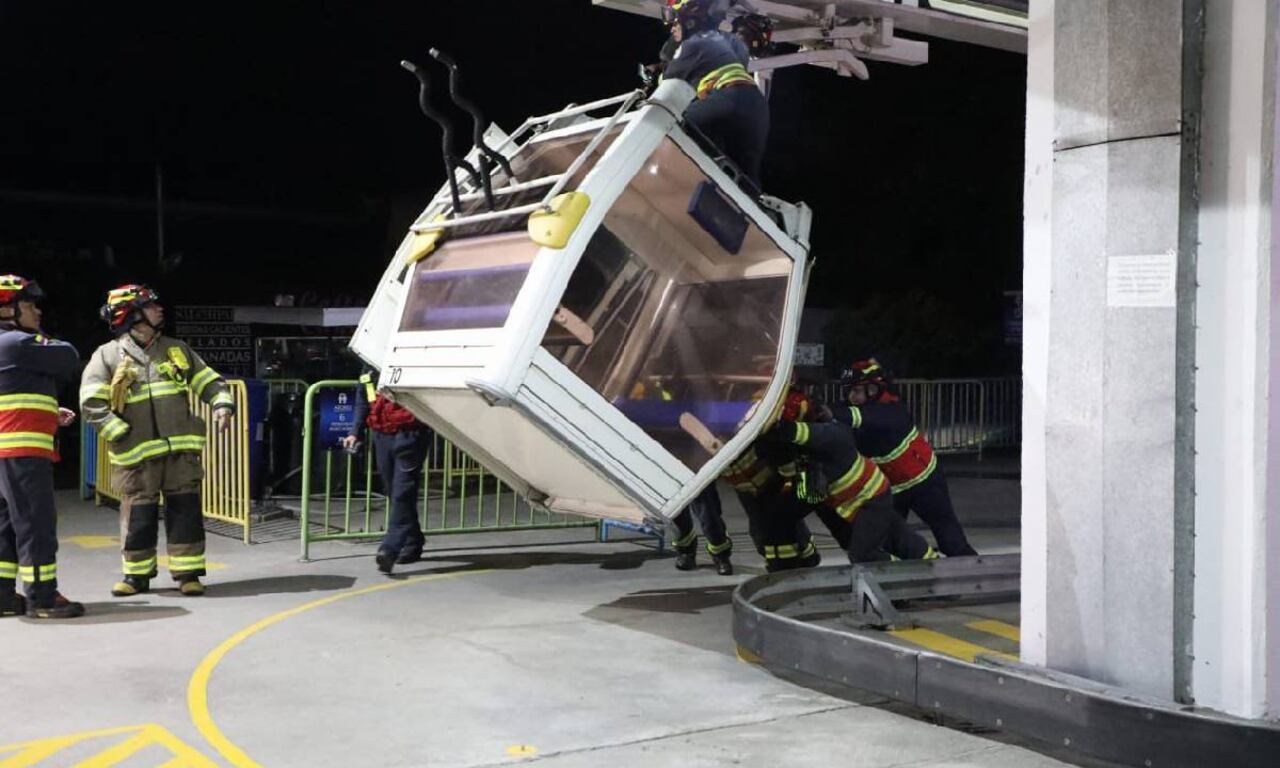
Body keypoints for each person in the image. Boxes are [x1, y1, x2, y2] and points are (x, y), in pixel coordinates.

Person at [80, 285, 235, 597]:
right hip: (136, 457)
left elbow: (209, 381)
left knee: (185, 511)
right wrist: (118, 433)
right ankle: (136, 577)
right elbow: (91, 402)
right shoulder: (107, 356)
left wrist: (222, 404)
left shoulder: (176, 349)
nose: (160, 310)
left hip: (180, 452)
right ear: (133, 316)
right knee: (139, 515)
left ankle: (188, 574)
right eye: (151, 307)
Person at [763, 390, 937, 562]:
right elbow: (798, 480)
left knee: (862, 555)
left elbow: (792, 432)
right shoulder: (808, 443)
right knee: (898, 539)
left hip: (871, 500)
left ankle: (902, 576)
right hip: (856, 502)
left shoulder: (831, 434)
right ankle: (929, 564)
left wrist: (771, 426)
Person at [830, 359, 978, 556]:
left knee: (950, 539)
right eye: (850, 391)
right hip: (893, 490)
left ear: (873, 390)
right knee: (891, 542)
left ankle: (970, 574)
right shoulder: (856, 408)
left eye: (856, 391)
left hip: (924, 483)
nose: (852, 396)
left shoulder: (892, 409)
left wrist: (831, 413)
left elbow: (863, 418)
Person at [0, 275, 84, 619]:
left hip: (6, 454)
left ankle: (4, 598)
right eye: (29, 304)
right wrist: (41, 339)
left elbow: (13, 396)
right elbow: (69, 357)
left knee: (6, 527)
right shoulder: (18, 343)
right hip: (21, 453)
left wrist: (50, 412)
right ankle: (43, 598)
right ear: (8, 309)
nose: (37, 311)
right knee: (36, 524)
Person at [661, 0, 771, 185]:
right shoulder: (728, 42)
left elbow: (667, 92)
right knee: (746, 183)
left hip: (726, 99)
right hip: (756, 109)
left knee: (670, 132)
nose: (672, 30)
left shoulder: (690, 46)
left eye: (675, 24)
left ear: (689, 21)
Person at [340, 367, 433, 574]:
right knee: (394, 491)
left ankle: (390, 548)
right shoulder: (369, 369)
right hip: (382, 436)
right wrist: (355, 432)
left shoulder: (410, 361)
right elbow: (363, 399)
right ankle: (412, 541)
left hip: (411, 435)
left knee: (402, 493)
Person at [671, 484, 734, 575]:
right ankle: (686, 551)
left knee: (708, 513)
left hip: (698, 472)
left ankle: (721, 555)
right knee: (676, 513)